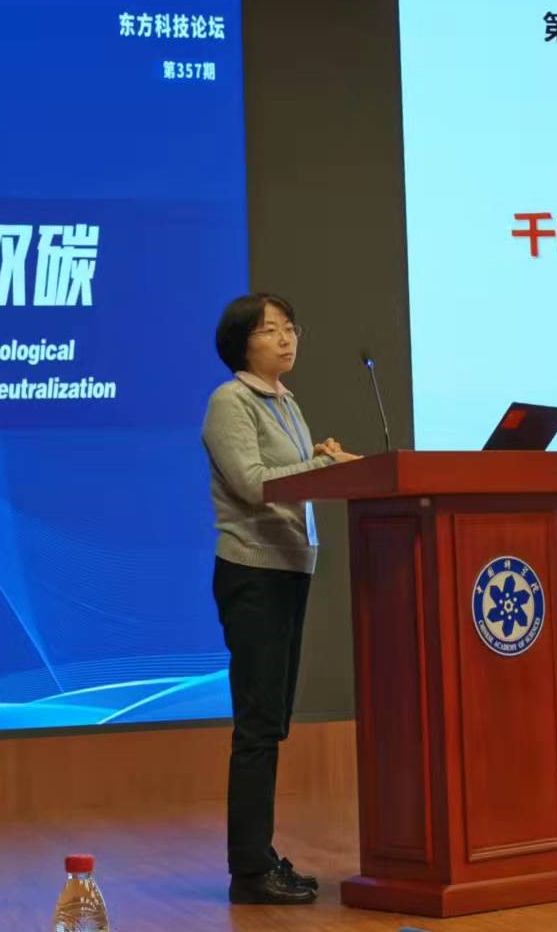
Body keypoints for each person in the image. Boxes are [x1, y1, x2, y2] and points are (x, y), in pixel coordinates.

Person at [202, 293, 358, 905]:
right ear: (241, 342)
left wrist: (318, 460)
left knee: (272, 721)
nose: (286, 339)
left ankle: (262, 857)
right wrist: (322, 468)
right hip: (252, 570)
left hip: (290, 567)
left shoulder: (286, 401)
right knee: (258, 725)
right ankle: (248, 870)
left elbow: (290, 473)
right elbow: (251, 483)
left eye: (291, 328)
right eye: (270, 330)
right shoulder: (230, 400)